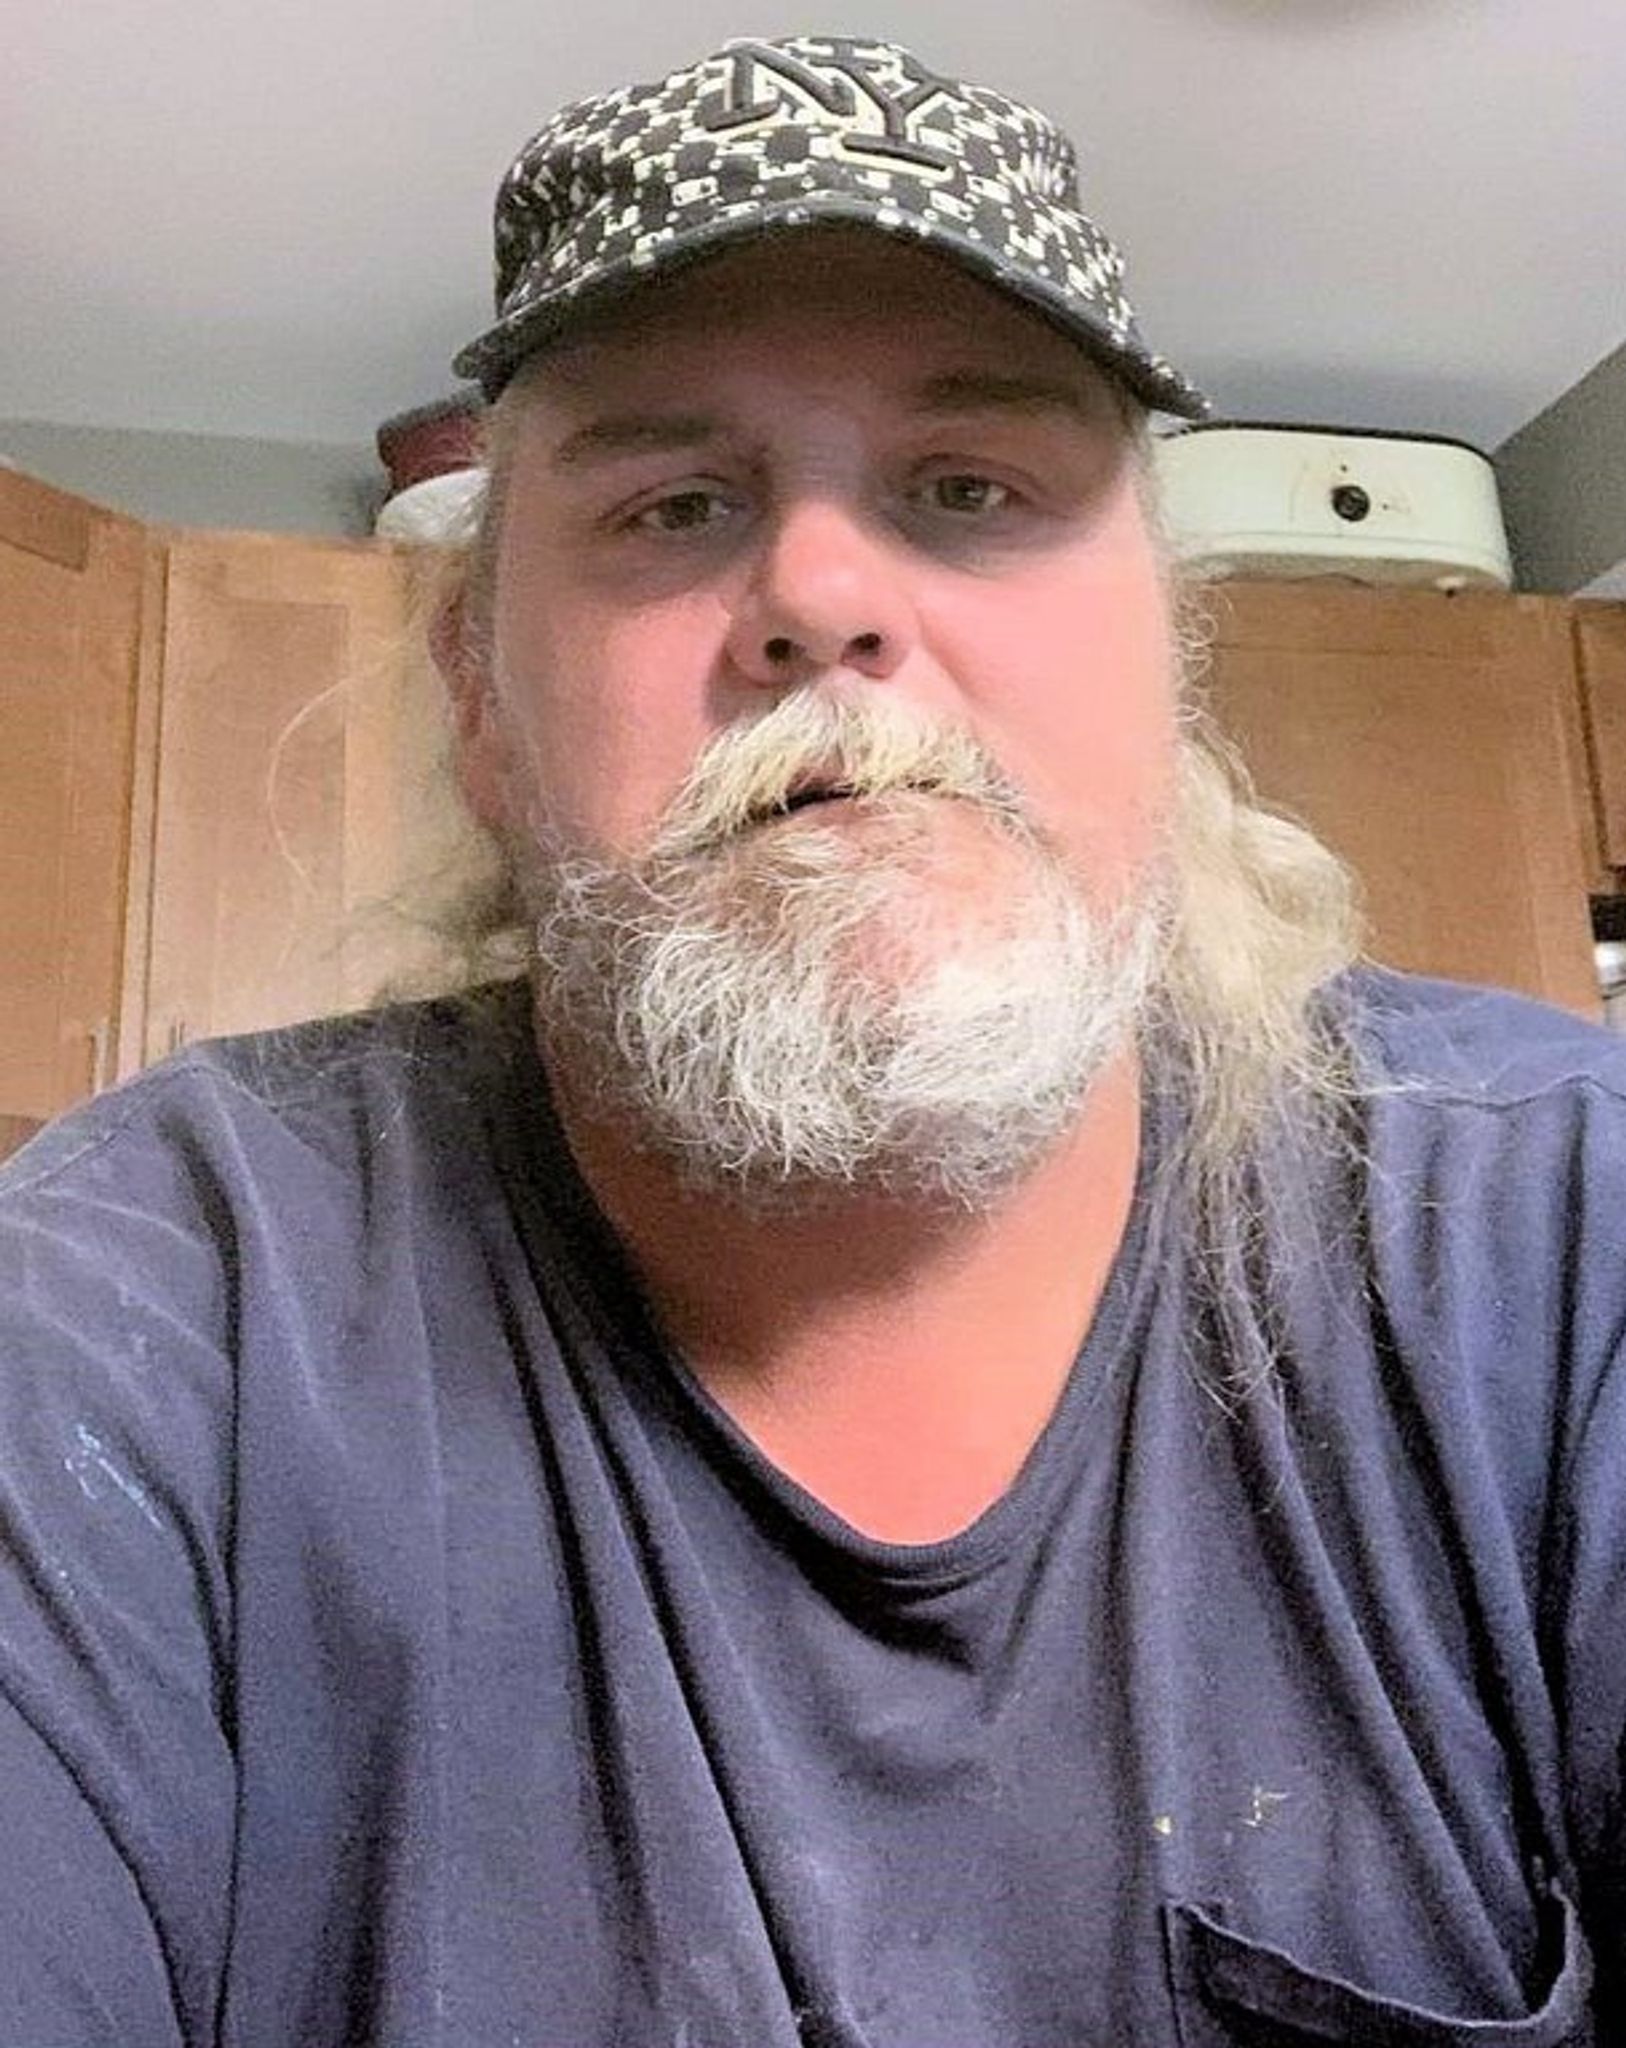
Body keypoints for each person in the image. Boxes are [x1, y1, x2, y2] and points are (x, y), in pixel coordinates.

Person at [1, 31, 1621, 2046]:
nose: (823, 594)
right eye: (675, 502)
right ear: (483, 699)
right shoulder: (134, 1311)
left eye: (969, 487)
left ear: (1167, 653)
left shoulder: (1562, 1235)